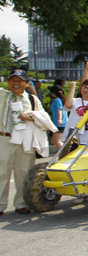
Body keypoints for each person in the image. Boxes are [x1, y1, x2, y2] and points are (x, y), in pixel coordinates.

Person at [0, 69, 48, 214]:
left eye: (20, 80)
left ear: (27, 83)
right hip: (4, 137)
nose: (15, 83)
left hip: (25, 140)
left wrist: (32, 117)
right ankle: (0, 204)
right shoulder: (2, 95)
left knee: (24, 172)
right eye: (12, 80)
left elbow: (44, 119)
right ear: (7, 82)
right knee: (2, 172)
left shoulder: (32, 99)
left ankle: (21, 203)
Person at [48, 85, 68, 149]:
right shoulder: (61, 100)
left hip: (59, 124)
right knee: (53, 141)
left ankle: (63, 155)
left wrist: (59, 119)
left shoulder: (57, 100)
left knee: (57, 141)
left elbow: (59, 110)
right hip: (62, 123)